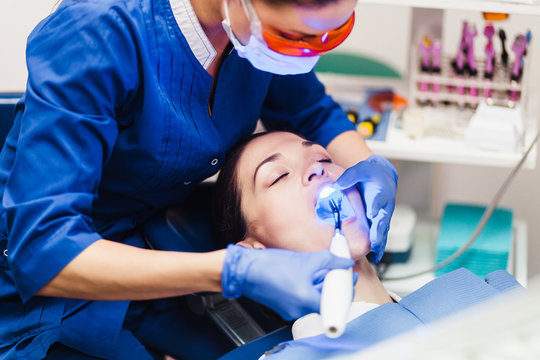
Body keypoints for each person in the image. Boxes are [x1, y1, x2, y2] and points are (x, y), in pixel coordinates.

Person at [0, 0, 399, 358]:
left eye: (333, 32)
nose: (308, 51)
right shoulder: (98, 33)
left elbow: (310, 113)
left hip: (148, 250)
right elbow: (43, 249)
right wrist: (234, 271)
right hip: (40, 287)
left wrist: (372, 166)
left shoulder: (247, 34)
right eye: (294, 37)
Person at [212, 130, 526, 360]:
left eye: (323, 157)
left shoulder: (485, 292)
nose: (317, 168)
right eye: (278, 176)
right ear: (253, 251)